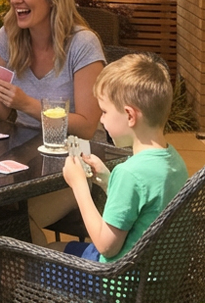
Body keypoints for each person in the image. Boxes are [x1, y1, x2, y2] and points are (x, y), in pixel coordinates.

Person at [0, 0, 105, 243]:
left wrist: (26, 103)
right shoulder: (8, 37)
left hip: (77, 163)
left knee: (15, 216)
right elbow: (1, 116)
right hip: (25, 156)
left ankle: (33, 282)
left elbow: (87, 127)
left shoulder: (82, 44)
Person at [61, 53, 188, 262]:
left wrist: (79, 186)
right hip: (152, 274)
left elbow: (106, 246)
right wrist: (107, 180)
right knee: (56, 248)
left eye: (104, 112)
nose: (101, 121)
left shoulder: (129, 173)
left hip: (115, 283)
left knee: (28, 259)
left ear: (130, 115)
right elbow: (143, 209)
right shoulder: (174, 161)